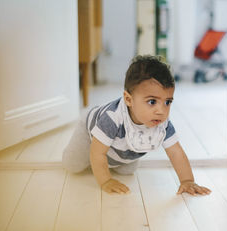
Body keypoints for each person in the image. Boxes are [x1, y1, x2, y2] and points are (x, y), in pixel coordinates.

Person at [62, 55, 211, 196]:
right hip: (91, 134)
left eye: (167, 102)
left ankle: (107, 160)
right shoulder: (112, 118)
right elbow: (97, 153)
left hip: (121, 148)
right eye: (152, 102)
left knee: (128, 170)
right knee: (73, 165)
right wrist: (105, 181)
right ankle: (95, 162)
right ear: (128, 99)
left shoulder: (162, 123)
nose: (161, 111)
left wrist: (187, 181)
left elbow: (176, 152)